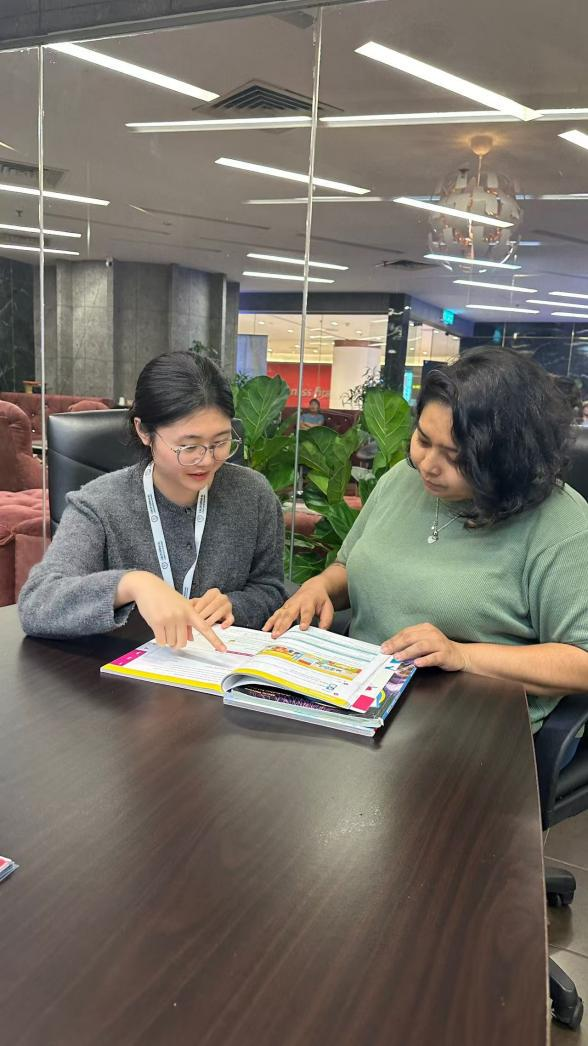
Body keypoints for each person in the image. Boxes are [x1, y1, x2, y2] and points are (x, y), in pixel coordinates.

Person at [265, 347, 588, 735]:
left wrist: (462, 655)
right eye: (423, 439)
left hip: (471, 726)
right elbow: (349, 568)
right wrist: (320, 587)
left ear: (507, 459)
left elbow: (581, 661)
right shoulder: (400, 481)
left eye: (456, 457)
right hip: (359, 696)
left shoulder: (559, 522)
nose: (428, 465)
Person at [19, 352, 287, 650]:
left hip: (219, 666)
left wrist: (233, 605)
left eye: (220, 442)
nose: (207, 460)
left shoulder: (253, 494)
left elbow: (270, 590)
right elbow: (37, 603)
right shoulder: (99, 504)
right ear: (144, 431)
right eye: (189, 446)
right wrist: (131, 584)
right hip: (120, 671)